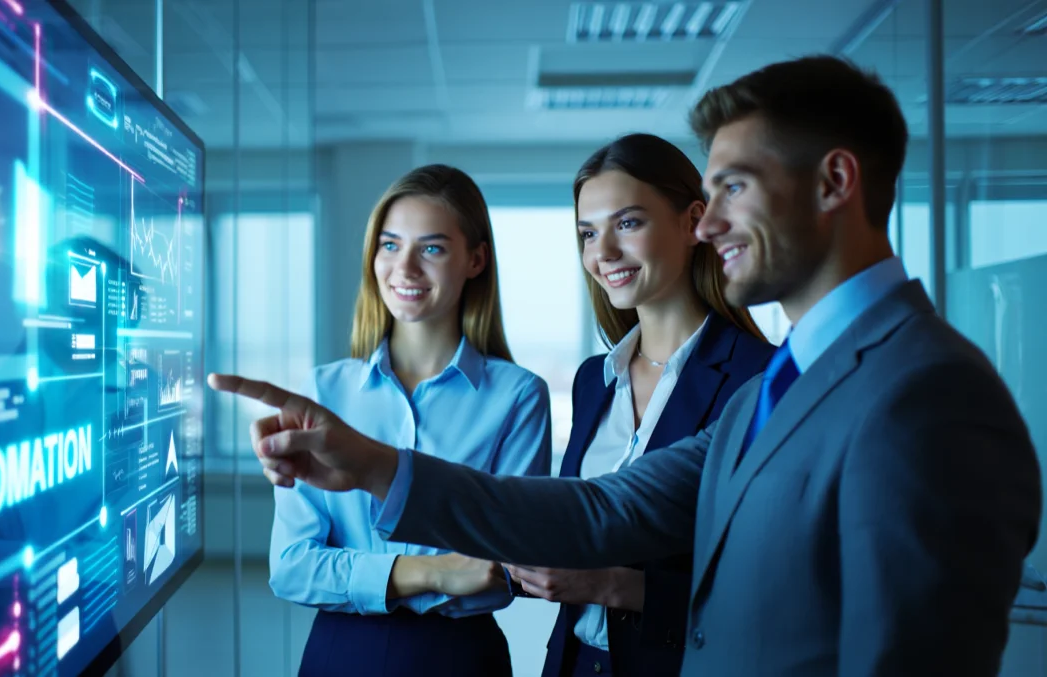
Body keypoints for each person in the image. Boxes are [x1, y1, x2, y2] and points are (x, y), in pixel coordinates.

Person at [210, 56, 1043, 677]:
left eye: (733, 188)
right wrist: (371, 462)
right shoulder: (784, 382)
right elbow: (605, 510)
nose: (708, 221)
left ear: (834, 181)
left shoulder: (928, 393)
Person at [267, 164, 553, 677]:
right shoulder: (322, 392)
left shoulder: (518, 397)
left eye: (433, 248)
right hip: (340, 653)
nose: (405, 268)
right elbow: (291, 568)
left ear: (475, 259)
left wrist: (366, 576)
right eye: (390, 244)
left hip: (460, 658)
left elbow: (508, 573)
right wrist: (432, 571)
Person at [518, 134, 772, 677]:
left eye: (627, 224)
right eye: (588, 233)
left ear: (693, 221)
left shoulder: (760, 380)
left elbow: (775, 585)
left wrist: (616, 586)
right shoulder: (593, 380)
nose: (603, 253)